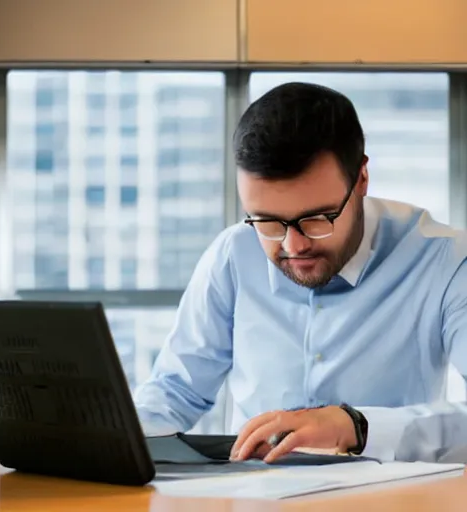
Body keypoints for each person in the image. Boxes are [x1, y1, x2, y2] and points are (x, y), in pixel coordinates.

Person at [133, 82, 467, 464]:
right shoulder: (233, 253)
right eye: (268, 221)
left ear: (360, 179)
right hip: (252, 499)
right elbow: (175, 391)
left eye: (317, 218)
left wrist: (357, 427)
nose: (294, 246)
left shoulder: (446, 259)